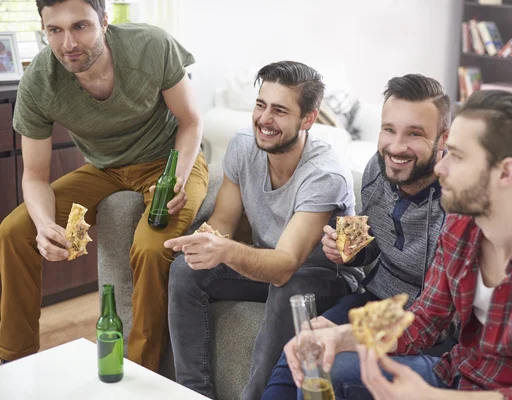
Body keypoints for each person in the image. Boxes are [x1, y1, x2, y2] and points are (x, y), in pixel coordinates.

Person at [284, 89, 512, 400]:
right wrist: (338, 337)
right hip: (453, 375)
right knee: (326, 368)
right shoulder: (460, 227)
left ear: (505, 172)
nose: (439, 168)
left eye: (457, 157)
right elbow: (422, 322)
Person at [0, 0, 209, 372]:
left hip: (168, 160)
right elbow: (33, 176)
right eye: (55, 31)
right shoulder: (40, 82)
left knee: (150, 245)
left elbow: (191, 121)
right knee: (15, 230)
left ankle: (141, 370)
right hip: (104, 169)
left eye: (80, 26)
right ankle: (14, 361)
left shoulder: (151, 46)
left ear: (104, 22)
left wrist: (176, 176)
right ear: (44, 31)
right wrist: (46, 224)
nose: (68, 44)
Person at [164, 60, 362, 399]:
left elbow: (285, 266)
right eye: (260, 105)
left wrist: (225, 250)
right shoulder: (243, 146)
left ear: (308, 119)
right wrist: (203, 242)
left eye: (280, 111)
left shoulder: (324, 175)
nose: (264, 119)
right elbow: (223, 224)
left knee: (292, 286)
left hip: (323, 278)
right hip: (269, 267)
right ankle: (193, 392)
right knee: (185, 269)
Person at [263, 74, 456, 398]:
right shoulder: (376, 170)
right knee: (299, 353)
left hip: (426, 324)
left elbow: (444, 315)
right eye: (389, 130)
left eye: (415, 134)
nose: (396, 147)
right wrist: (351, 252)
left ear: (443, 138)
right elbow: (376, 244)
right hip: (373, 299)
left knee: (326, 367)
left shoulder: (456, 200)